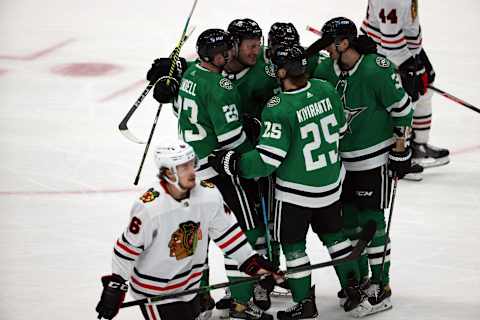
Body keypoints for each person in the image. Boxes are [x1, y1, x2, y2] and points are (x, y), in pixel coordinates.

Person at [209, 44, 373, 319]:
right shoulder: (325, 89)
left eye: (276, 65)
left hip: (295, 193)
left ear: (283, 71)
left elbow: (266, 161)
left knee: (294, 246)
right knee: (336, 238)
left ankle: (304, 304)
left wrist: (231, 162)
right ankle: (354, 290)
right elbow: (341, 130)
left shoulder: (278, 107)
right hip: (331, 185)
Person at [94, 139, 281, 320]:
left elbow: (228, 234)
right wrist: (116, 285)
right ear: (167, 172)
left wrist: (252, 263)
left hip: (190, 287)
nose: (192, 171)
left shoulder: (209, 194)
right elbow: (127, 249)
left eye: (192, 164)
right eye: (184, 167)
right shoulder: (149, 207)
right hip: (156, 291)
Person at [312, 17, 414, 315]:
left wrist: (401, 149)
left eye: (329, 43)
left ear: (343, 43)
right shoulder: (324, 70)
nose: (326, 50)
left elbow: (403, 110)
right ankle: (361, 281)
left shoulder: (375, 69)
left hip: (373, 159)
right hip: (340, 163)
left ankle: (381, 285)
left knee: (373, 221)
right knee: (349, 222)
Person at [174, 28, 275, 320]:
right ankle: (241, 303)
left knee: (198, 237)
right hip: (216, 173)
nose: (229, 54)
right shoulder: (221, 86)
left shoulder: (191, 74)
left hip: (188, 170)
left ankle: (201, 299)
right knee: (241, 233)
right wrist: (253, 154)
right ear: (214, 56)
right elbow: (231, 139)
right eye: (224, 51)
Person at [360, 0, 450, 179]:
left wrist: (418, 57)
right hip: (387, 53)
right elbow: (390, 39)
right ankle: (401, 155)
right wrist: (410, 66)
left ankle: (419, 146)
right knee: (406, 100)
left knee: (425, 91)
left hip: (405, 49)